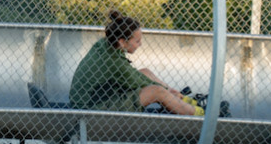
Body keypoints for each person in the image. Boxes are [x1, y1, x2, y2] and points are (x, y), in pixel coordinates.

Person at [69, 10, 204, 116]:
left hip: (97, 98)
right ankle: (200, 113)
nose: (140, 44)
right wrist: (167, 92)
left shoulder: (106, 44)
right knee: (158, 92)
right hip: (91, 109)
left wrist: (170, 92)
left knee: (145, 72)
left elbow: (137, 76)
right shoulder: (114, 62)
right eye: (137, 41)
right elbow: (139, 82)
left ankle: (183, 101)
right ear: (122, 41)